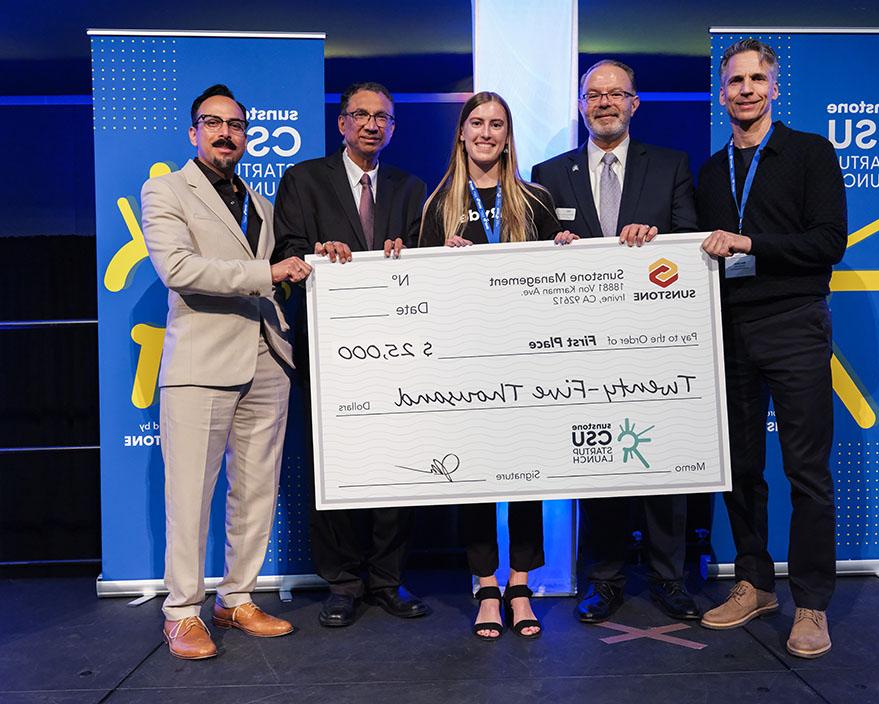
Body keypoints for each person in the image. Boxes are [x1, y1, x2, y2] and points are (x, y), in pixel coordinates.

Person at [142, 84, 311, 660]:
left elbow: (282, 272)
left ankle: (236, 597)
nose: (225, 133)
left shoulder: (261, 203)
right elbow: (179, 269)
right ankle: (182, 611)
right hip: (201, 363)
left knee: (256, 490)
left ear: (247, 135)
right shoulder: (165, 189)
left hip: (267, 358)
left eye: (236, 125)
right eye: (213, 123)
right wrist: (267, 271)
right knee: (189, 494)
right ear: (194, 132)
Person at [531, 60, 701, 624]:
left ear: (634, 103)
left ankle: (669, 578)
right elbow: (530, 262)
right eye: (593, 94)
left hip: (656, 344)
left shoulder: (671, 166)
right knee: (598, 461)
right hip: (582, 350)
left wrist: (658, 241)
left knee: (664, 464)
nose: (604, 102)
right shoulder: (547, 174)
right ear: (581, 104)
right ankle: (602, 580)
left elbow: (689, 244)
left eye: (615, 94)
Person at [696, 38, 846, 659]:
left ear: (775, 87)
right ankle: (755, 581)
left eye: (758, 78)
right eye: (736, 80)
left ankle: (811, 603)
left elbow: (828, 243)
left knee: (806, 470)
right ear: (722, 90)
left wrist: (751, 242)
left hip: (794, 324)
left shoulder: (811, 153)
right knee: (739, 466)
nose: (747, 89)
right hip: (727, 330)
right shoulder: (709, 170)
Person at [272, 82, 429, 628]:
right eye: (360, 115)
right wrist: (314, 253)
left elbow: (424, 263)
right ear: (341, 124)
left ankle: (387, 579)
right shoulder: (304, 180)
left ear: (392, 128)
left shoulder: (412, 188)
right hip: (329, 356)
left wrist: (407, 254)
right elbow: (285, 252)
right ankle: (342, 582)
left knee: (395, 470)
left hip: (399, 356)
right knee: (333, 470)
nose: (370, 124)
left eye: (382, 117)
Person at [419, 91, 574, 640]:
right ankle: (485, 584)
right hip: (463, 363)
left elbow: (560, 283)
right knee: (477, 480)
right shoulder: (435, 205)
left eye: (497, 125)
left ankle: (521, 582)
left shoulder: (534, 200)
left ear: (508, 136)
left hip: (528, 361)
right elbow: (416, 294)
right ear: (461, 132)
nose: (486, 133)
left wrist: (566, 250)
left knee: (528, 475)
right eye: (477, 123)